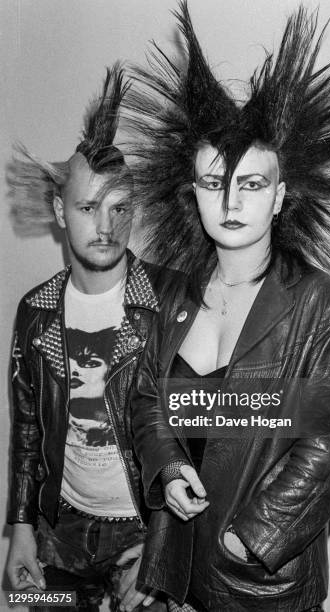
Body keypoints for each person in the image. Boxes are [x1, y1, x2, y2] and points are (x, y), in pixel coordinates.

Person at [121, 3, 330, 611]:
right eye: (214, 183)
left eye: (253, 184)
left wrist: (253, 537)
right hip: (179, 573)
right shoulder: (173, 295)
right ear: (194, 192)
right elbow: (145, 400)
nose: (231, 200)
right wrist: (165, 467)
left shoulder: (315, 303)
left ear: (281, 196)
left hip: (265, 585)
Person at [6, 64, 167, 611]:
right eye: (87, 207)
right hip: (59, 534)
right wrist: (21, 528)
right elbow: (28, 429)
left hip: (142, 534)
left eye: (119, 207)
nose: (104, 226)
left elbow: (201, 438)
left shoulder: (168, 305)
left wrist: (165, 546)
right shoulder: (35, 312)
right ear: (59, 211)